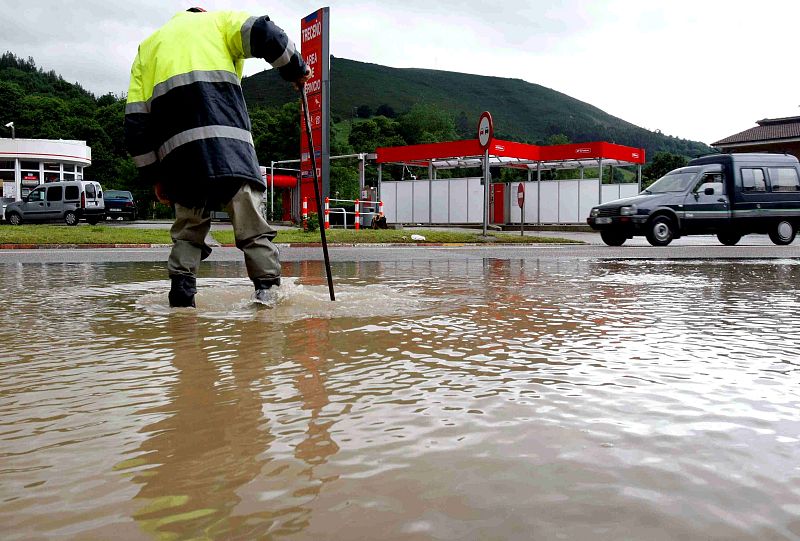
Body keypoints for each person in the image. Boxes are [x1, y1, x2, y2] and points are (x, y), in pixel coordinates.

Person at [125, 7, 310, 307]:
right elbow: (267, 34)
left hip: (180, 161)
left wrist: (155, 177)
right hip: (230, 151)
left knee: (187, 234)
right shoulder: (220, 23)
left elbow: (135, 124)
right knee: (252, 228)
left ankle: (182, 305)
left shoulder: (148, 48)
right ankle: (268, 300)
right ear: (202, 12)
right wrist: (296, 69)